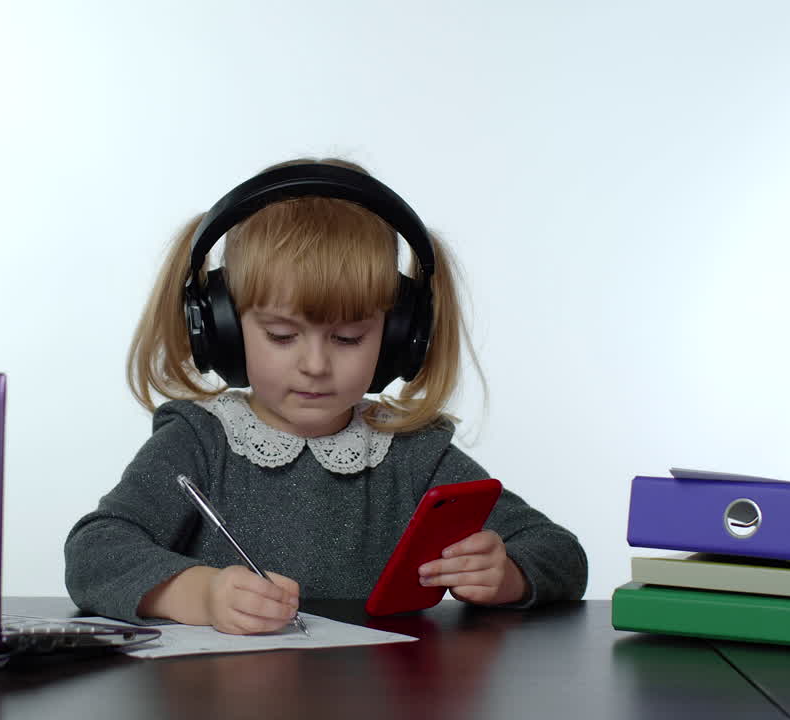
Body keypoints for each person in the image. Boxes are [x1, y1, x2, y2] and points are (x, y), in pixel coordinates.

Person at [64, 159, 587, 634]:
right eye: (282, 335)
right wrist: (196, 594)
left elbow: (560, 551)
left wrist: (509, 573)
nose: (315, 365)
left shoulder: (411, 453)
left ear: (400, 338)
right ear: (221, 329)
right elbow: (94, 552)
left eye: (348, 338)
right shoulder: (201, 442)